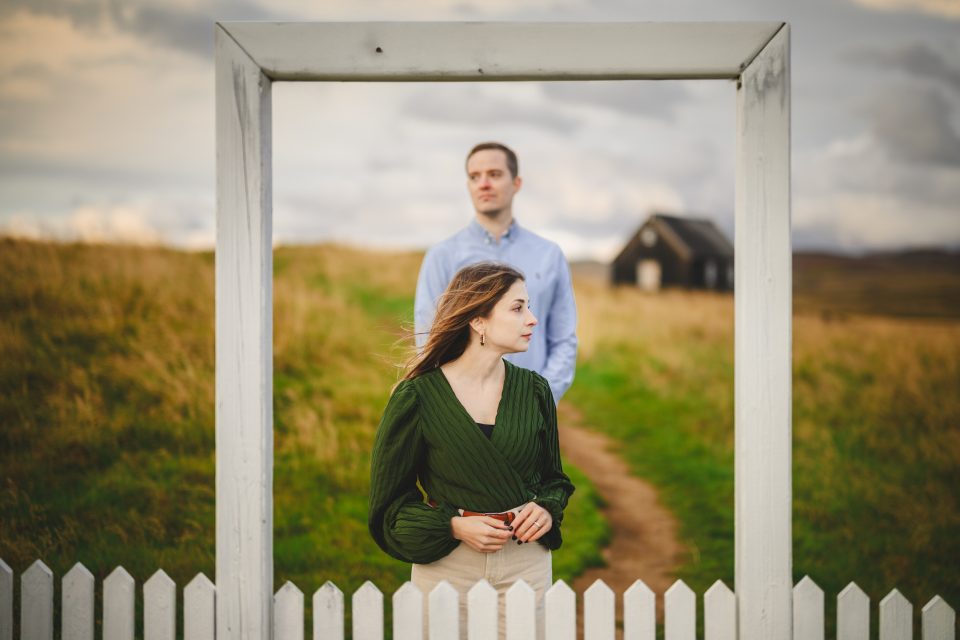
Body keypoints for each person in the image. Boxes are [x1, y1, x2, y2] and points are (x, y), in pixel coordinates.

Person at [369, 262, 575, 639]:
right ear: (478, 320)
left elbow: (553, 479)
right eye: (517, 308)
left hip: (526, 562)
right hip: (448, 566)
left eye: (528, 306)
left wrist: (546, 507)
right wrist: (453, 526)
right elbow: (389, 508)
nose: (532, 319)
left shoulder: (534, 390)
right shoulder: (416, 397)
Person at [414, 142, 578, 403]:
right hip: (463, 409)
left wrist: (541, 398)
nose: (484, 184)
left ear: (516, 183)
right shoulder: (442, 256)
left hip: (531, 408)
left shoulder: (549, 255)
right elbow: (428, 337)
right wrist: (451, 404)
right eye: (474, 177)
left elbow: (564, 340)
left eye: (495, 174)